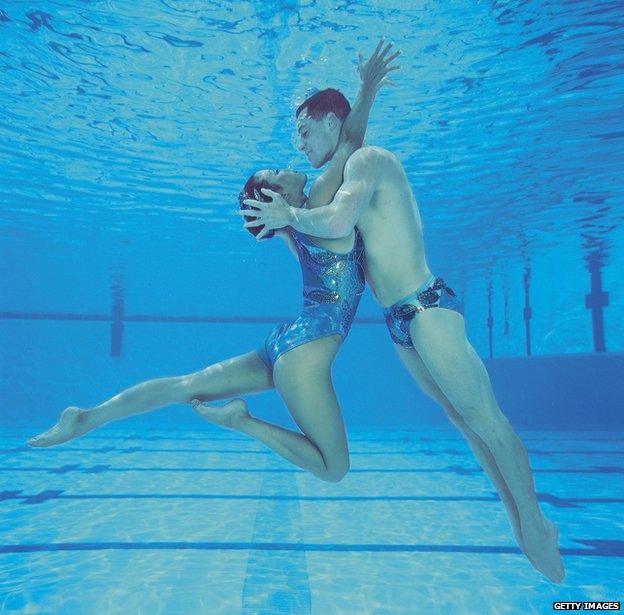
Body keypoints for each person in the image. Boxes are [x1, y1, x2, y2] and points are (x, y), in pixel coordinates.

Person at [26, 42, 400, 486]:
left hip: (283, 343)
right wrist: (369, 87)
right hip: (302, 356)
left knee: (186, 384)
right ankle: (243, 422)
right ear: (280, 198)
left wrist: (278, 215)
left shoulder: (295, 228)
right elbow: (350, 142)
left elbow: (334, 159)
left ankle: (87, 416)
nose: (286, 163)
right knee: (334, 468)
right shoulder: (317, 199)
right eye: (275, 175)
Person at [241, 84, 566, 582]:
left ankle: (538, 525)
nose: (299, 145)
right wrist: (284, 222)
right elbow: (339, 155)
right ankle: (518, 520)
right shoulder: (344, 164)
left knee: (488, 420)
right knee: (463, 421)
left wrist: (289, 214)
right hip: (400, 322)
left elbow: (340, 215)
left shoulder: (369, 161)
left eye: (305, 131)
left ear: (331, 123)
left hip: (426, 307)